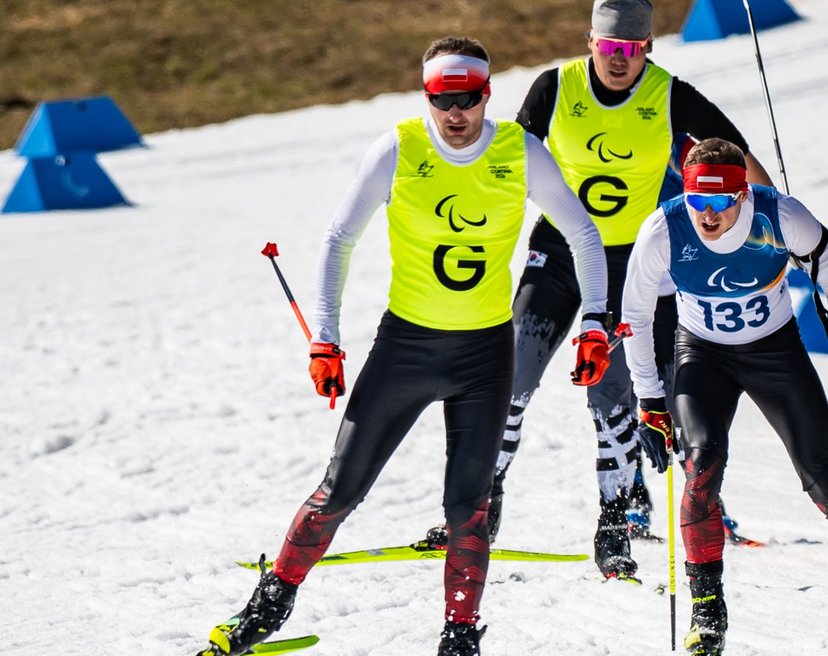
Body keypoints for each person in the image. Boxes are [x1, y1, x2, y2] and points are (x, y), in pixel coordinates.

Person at [195, 37, 609, 656]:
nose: (456, 114)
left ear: (486, 94)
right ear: (428, 96)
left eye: (468, 99)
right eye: (444, 100)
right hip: (406, 349)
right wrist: (326, 341)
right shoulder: (398, 148)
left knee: (468, 504)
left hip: (484, 357)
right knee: (341, 488)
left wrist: (596, 322)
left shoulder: (519, 153)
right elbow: (338, 239)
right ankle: (266, 608)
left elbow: (582, 232)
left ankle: (460, 636)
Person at [485, 0, 774, 579]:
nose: (620, 58)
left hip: (633, 268)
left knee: (614, 397)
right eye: (609, 45)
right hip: (559, 255)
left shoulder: (669, 95)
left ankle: (614, 524)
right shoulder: (553, 88)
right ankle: (483, 499)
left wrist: (771, 225)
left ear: (648, 48)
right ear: (591, 41)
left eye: (633, 48)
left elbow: (737, 159)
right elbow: (508, 166)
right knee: (513, 374)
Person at [621, 138, 828, 656]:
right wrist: (650, 403)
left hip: (775, 352)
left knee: (824, 481)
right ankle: (707, 614)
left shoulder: (781, 215)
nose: (707, 215)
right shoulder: (664, 227)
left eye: (721, 202)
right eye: (699, 201)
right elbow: (634, 316)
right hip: (702, 354)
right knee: (701, 467)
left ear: (743, 195)